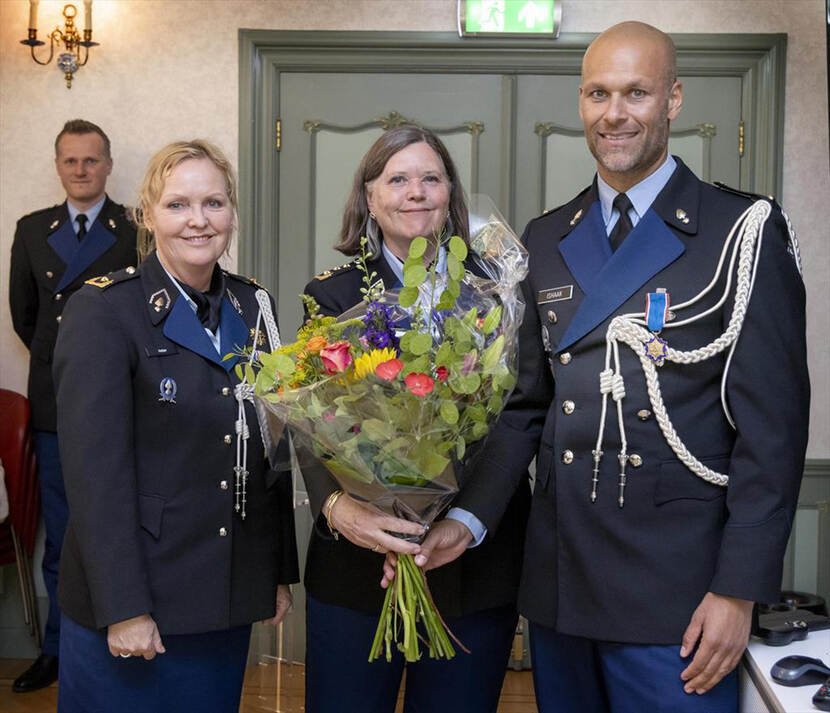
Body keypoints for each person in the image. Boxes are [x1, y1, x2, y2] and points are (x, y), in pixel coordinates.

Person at [421, 21, 810, 713]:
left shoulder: (740, 231)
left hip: (679, 594)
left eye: (636, 92)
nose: (615, 113)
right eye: (598, 93)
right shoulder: (548, 235)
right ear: (581, 102)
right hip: (563, 582)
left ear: (674, 99)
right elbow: (524, 408)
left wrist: (738, 589)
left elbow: (772, 435)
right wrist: (468, 519)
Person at [52, 139, 299, 713]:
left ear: (232, 212)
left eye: (213, 203)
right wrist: (123, 607)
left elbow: (271, 448)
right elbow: (95, 478)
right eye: (178, 205)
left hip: (226, 589)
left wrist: (274, 572)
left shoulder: (252, 306)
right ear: (147, 215)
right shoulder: (106, 310)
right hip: (140, 594)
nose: (198, 221)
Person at [300, 125, 529, 713]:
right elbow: (309, 419)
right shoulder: (329, 296)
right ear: (369, 197)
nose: (416, 192)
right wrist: (339, 508)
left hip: (473, 564)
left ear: (450, 194)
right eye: (397, 179)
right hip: (358, 560)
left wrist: (468, 522)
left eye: (431, 178)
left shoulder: (497, 291)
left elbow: (521, 411)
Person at [8, 119, 138, 693]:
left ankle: (126, 637)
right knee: (63, 535)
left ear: (108, 165)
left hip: (126, 397)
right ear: (57, 166)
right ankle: (59, 651)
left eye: (91, 161)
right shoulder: (33, 229)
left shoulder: (135, 227)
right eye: (70, 161)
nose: (81, 171)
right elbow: (25, 316)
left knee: (122, 523)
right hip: (58, 402)